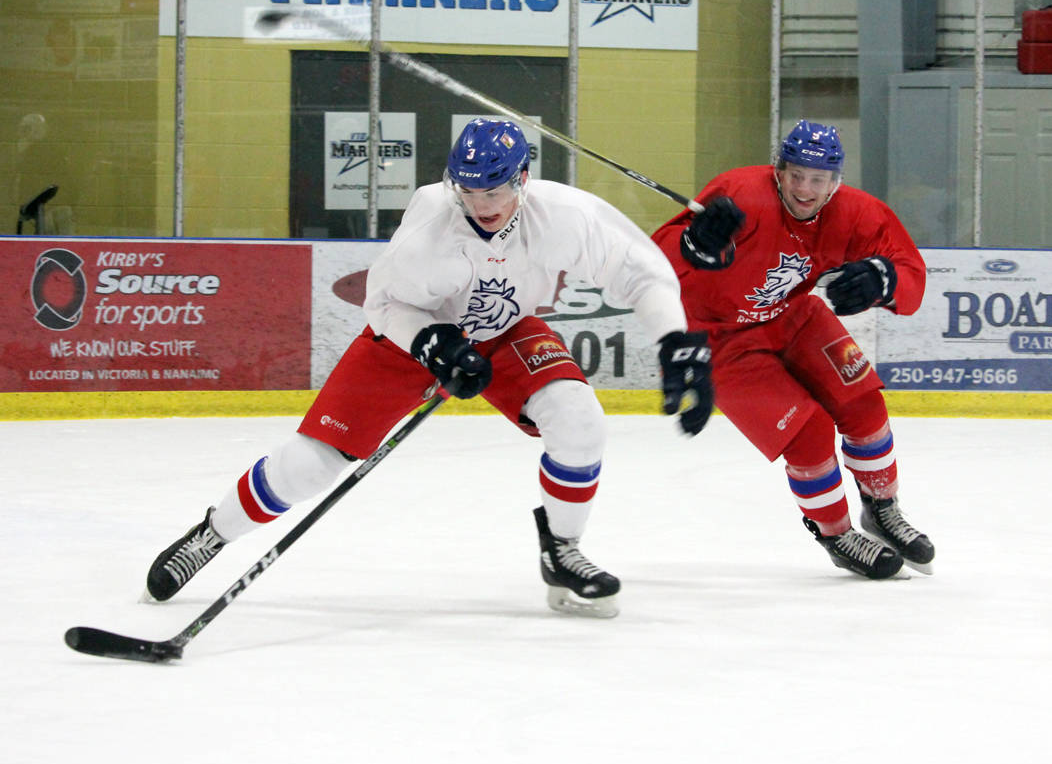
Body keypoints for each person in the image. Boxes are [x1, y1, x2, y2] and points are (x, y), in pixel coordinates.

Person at [144, 118, 714, 618]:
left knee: (580, 422)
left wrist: (673, 340)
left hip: (504, 328)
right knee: (310, 468)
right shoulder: (430, 226)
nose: (480, 205)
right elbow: (384, 303)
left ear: (521, 180)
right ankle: (211, 534)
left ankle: (561, 550)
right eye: (468, 191)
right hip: (407, 336)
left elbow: (644, 271)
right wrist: (432, 343)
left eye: (493, 190)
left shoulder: (564, 215)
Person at [650, 119, 935, 579]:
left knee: (863, 402)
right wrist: (691, 244)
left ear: (835, 183)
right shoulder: (741, 192)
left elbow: (910, 274)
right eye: (795, 174)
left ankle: (881, 507)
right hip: (720, 337)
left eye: (818, 179)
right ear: (778, 171)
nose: (805, 188)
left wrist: (885, 280)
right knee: (809, 433)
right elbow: (653, 260)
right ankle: (837, 534)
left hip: (793, 316)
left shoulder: (855, 213)